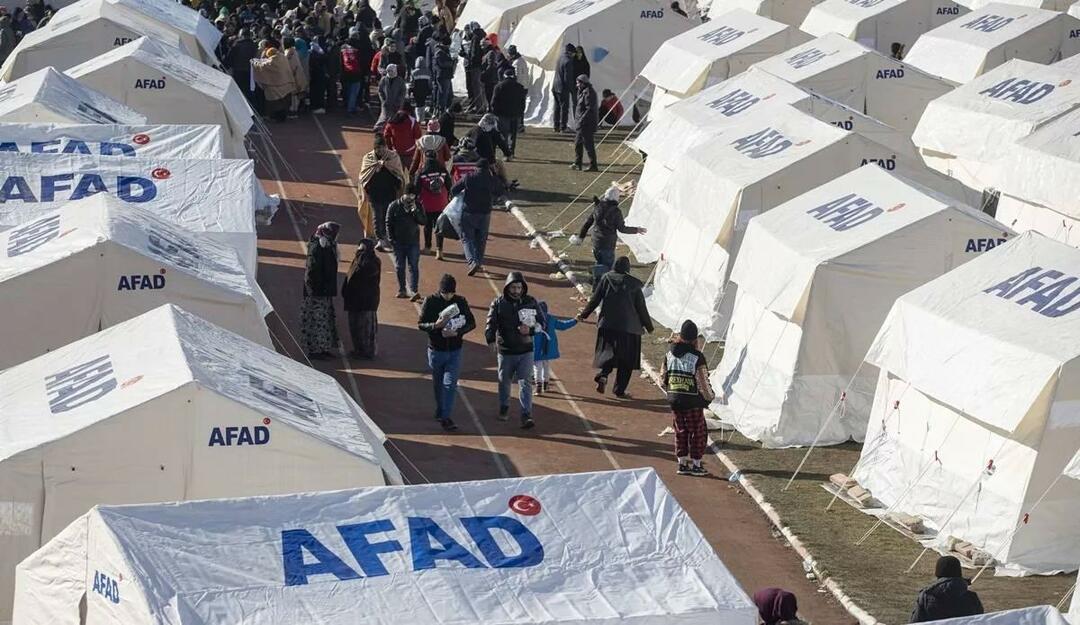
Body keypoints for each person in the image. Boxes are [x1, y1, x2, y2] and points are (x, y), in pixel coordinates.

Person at [576, 256, 653, 398]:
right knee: (627, 360)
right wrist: (649, 327)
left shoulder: (606, 278)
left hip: (608, 324)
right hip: (630, 328)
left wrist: (584, 314)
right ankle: (619, 390)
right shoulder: (635, 284)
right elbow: (641, 308)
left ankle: (604, 374)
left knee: (609, 353)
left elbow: (595, 299)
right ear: (627, 268)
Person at [485, 272, 544, 429]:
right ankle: (504, 406)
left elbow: (541, 323)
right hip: (506, 351)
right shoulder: (498, 303)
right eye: (513, 287)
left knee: (526, 382)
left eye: (519, 287)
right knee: (504, 382)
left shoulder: (531, 302)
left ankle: (526, 414)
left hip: (526, 350)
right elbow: (491, 323)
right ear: (507, 287)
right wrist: (490, 340)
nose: (516, 291)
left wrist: (530, 331)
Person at [417, 274, 475, 431]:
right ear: (440, 290)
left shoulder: (460, 301)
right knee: (438, 384)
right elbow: (421, 324)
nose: (448, 296)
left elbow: (472, 322)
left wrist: (458, 332)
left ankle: (446, 417)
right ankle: (440, 409)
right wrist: (435, 326)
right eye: (445, 293)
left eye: (451, 293)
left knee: (450, 384)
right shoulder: (431, 301)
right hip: (436, 350)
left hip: (455, 350)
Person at [660, 320, 713, 476]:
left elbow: (663, 378)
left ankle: (682, 464)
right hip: (693, 402)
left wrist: (671, 392)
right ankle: (697, 465)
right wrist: (709, 398)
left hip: (675, 400)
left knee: (680, 431)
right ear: (695, 339)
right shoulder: (697, 357)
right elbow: (703, 381)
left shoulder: (669, 354)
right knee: (698, 432)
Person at [570, 185, 646, 283]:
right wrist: (636, 230)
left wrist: (581, 237)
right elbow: (622, 229)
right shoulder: (616, 211)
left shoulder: (598, 207)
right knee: (608, 267)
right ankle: (593, 271)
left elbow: (588, 223)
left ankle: (596, 281)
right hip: (607, 242)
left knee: (600, 261)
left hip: (596, 240)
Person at [358, 133, 407, 251]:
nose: (381, 151)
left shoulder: (393, 157)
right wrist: (375, 169)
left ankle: (388, 237)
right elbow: (363, 176)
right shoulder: (368, 158)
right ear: (374, 148)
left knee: (388, 216)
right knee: (377, 216)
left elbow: (399, 173)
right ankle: (380, 239)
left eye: (382, 148)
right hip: (374, 193)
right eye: (378, 149)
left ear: (386, 147)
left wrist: (386, 167)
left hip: (390, 192)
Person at [301, 222, 341, 359]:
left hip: (324, 291)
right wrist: (320, 288)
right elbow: (313, 272)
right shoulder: (318, 247)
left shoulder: (327, 246)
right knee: (317, 321)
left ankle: (323, 348)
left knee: (325, 321)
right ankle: (315, 350)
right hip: (317, 292)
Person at [451, 157, 496, 275]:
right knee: (481, 240)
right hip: (485, 213)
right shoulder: (492, 179)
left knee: (467, 238)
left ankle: (472, 262)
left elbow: (454, 189)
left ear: (476, 167)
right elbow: (500, 191)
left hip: (469, 212)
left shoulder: (469, 177)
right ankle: (479, 262)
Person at [910, 556, 984, 622]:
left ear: (938, 573)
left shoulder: (927, 596)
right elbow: (979, 621)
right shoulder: (972, 598)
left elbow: (915, 622)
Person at [341, 238, 381, 359]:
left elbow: (362, 273)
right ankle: (359, 349)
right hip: (355, 301)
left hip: (366, 302)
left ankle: (366, 351)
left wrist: (363, 255)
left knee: (365, 329)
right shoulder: (358, 259)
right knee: (355, 327)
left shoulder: (371, 262)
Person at [385, 183, 426, 300]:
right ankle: (402, 289)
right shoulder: (394, 206)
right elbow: (388, 222)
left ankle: (414, 290)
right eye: (408, 195)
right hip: (398, 242)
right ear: (404, 194)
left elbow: (423, 221)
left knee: (413, 266)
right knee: (399, 266)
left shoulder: (418, 205)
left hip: (413, 242)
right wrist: (391, 239)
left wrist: (416, 211)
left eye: (412, 195)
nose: (410, 198)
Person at [533, 301, 577, 395]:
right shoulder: (551, 319)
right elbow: (563, 326)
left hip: (536, 348)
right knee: (546, 365)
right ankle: (546, 384)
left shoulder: (533, 320)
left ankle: (538, 387)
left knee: (537, 367)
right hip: (548, 348)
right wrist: (575, 320)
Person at [416, 152, 451, 258]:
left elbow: (417, 188)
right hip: (441, 203)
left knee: (428, 226)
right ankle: (439, 250)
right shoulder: (443, 170)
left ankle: (427, 247)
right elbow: (449, 185)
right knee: (439, 226)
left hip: (427, 203)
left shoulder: (422, 172)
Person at [251, 41, 296, 122]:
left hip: (275, 86)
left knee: (275, 104)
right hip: (286, 84)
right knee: (284, 103)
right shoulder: (282, 57)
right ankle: (283, 117)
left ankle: (276, 117)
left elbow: (262, 66)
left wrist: (254, 62)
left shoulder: (271, 61)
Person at [489, 69, 527, 158]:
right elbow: (523, 102)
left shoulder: (499, 86)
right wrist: (520, 112)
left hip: (502, 114)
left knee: (503, 134)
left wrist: (495, 112)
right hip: (515, 114)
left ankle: (505, 153)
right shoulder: (520, 87)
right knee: (513, 134)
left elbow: (493, 102)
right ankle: (511, 152)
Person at [571, 74, 599, 171]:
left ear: (583, 83)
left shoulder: (589, 93)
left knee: (588, 145)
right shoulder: (583, 91)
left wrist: (581, 120)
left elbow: (589, 109)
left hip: (586, 124)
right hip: (581, 123)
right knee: (578, 143)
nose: (577, 85)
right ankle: (578, 162)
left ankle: (593, 165)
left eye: (578, 83)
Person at [227, 28, 259, 106]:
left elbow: (229, 58)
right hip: (251, 72)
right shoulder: (254, 45)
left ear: (241, 35)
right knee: (250, 92)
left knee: (239, 92)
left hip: (238, 71)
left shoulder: (237, 45)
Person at [552, 43, 576, 132]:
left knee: (557, 107)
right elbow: (567, 78)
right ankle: (563, 127)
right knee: (564, 108)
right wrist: (572, 89)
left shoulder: (560, 58)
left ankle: (556, 125)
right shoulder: (568, 61)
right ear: (571, 52)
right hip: (562, 88)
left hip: (555, 86)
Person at [282, 36, 308, 118]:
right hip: (298, 76)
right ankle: (294, 111)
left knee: (293, 97)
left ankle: (293, 113)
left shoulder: (289, 53)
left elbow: (291, 67)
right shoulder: (294, 51)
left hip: (294, 78)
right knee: (296, 97)